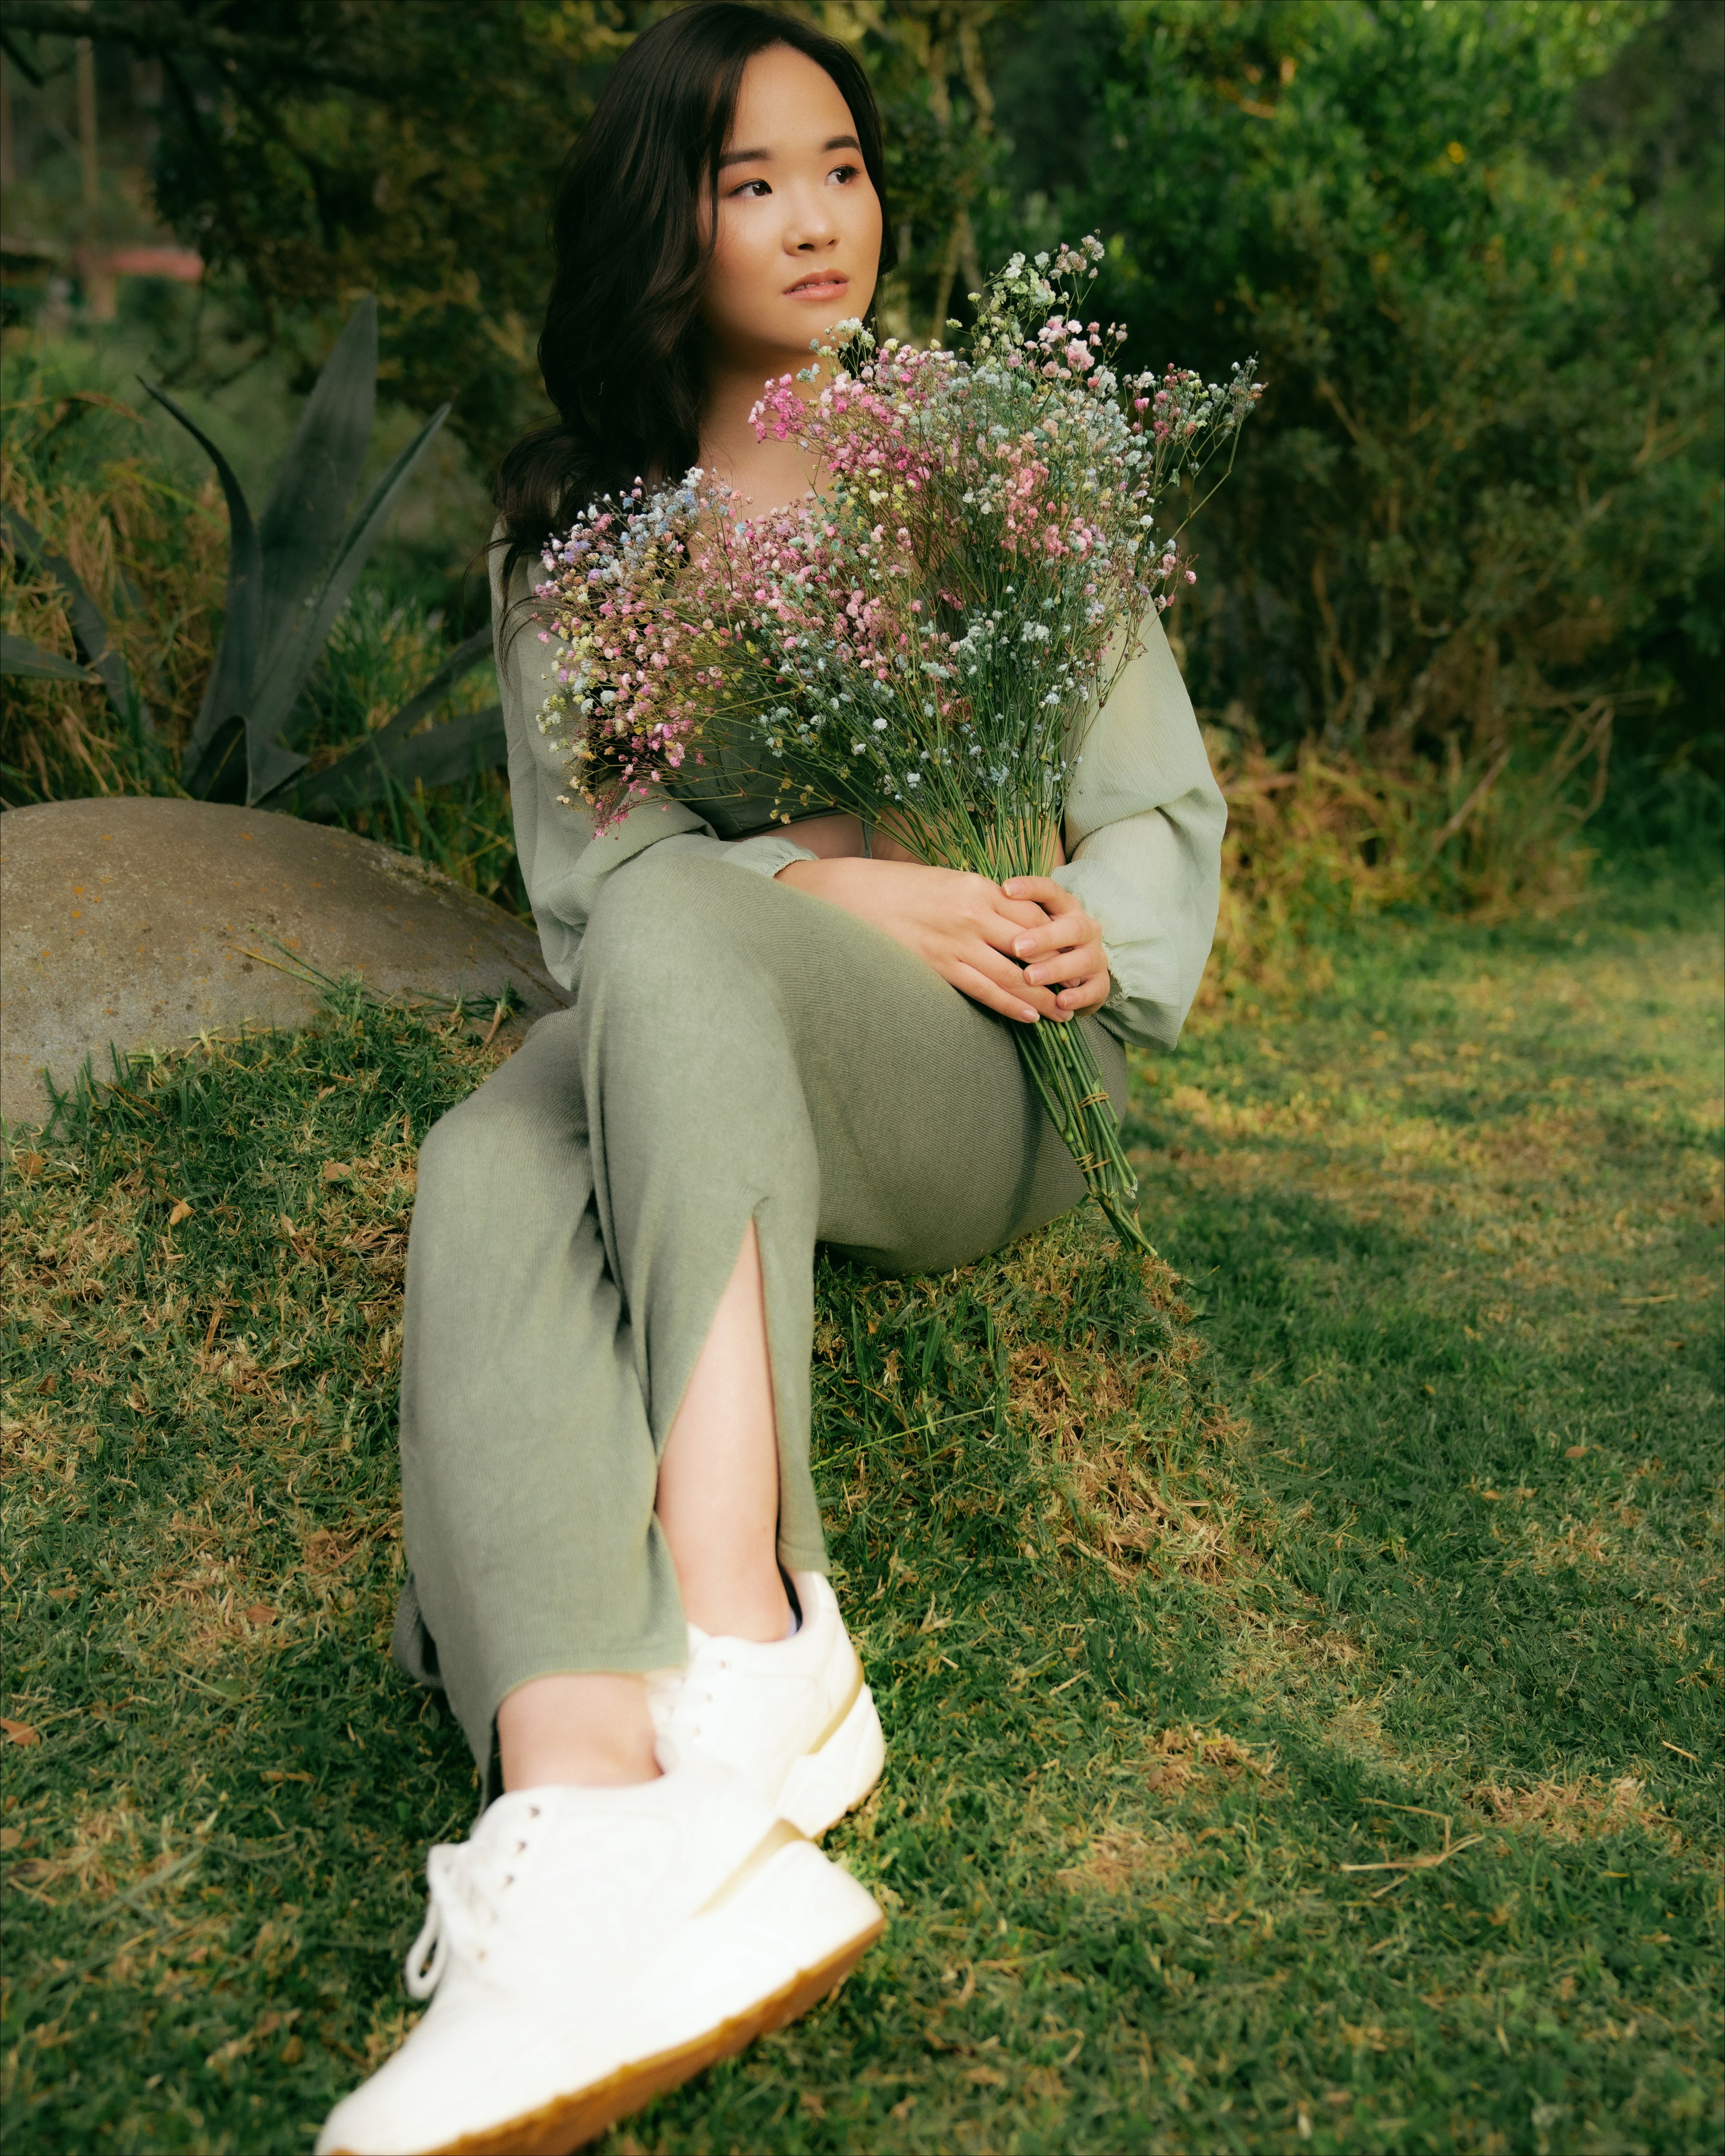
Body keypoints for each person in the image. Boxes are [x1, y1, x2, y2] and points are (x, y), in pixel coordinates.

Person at [316, 5, 1224, 2151]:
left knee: (667, 936)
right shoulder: (591, 548)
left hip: (988, 1073)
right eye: (753, 182)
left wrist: (1066, 916)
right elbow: (590, 895)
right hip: (708, 1032)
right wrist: (834, 882)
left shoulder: (988, 460)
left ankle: (749, 1632)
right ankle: (583, 1798)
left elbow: (1151, 806)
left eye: (841, 164)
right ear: (669, 224)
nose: (821, 218)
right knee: (487, 1150)